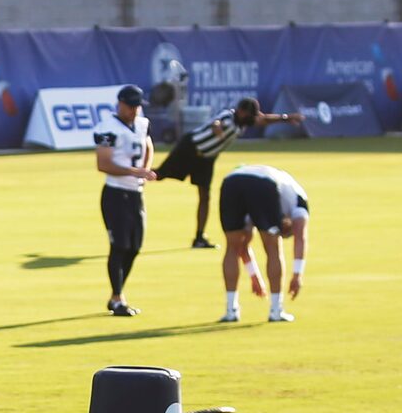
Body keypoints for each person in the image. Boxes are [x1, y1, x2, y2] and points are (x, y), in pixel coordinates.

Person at [153, 93, 302, 249]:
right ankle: (135, 177)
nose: (251, 117)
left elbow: (263, 119)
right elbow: (217, 122)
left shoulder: (244, 121)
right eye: (248, 114)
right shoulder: (228, 116)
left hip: (207, 159)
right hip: (190, 149)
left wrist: (286, 118)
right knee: (159, 175)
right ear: (240, 111)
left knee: (205, 196)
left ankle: (199, 237)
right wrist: (218, 129)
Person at [216, 162, 309, 325]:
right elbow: (300, 237)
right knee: (273, 247)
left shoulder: (279, 201)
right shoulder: (299, 202)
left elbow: (242, 247)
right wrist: (297, 275)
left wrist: (254, 276)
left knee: (232, 246)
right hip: (263, 183)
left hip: (231, 182)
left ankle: (231, 311)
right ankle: (276, 310)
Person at [93, 84, 152, 317]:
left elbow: (147, 144)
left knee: (135, 246)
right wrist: (133, 172)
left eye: (138, 106)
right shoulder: (107, 128)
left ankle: (117, 294)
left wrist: (145, 170)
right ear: (121, 104)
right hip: (116, 193)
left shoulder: (141, 123)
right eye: (131, 106)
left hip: (136, 193)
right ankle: (117, 298)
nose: (135, 111)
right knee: (119, 246)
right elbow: (103, 164)